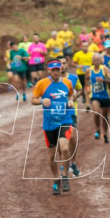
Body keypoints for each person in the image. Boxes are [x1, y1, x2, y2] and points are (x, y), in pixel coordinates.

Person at [32, 61, 75, 195]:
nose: (56, 72)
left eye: (58, 70)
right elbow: (33, 99)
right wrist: (41, 101)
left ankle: (65, 176)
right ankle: (56, 179)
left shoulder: (67, 83)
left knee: (65, 148)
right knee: (51, 156)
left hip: (65, 120)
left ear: (61, 70)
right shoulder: (42, 84)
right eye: (53, 70)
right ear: (49, 71)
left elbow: (71, 93)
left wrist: (71, 100)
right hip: (49, 123)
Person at [89, 53, 110, 143]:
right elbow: (87, 81)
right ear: (92, 61)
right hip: (95, 96)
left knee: (104, 116)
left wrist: (103, 80)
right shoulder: (89, 70)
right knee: (96, 113)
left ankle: (105, 134)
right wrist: (87, 90)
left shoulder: (104, 69)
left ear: (101, 61)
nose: (96, 62)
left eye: (98, 60)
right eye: (94, 60)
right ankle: (98, 129)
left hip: (105, 96)